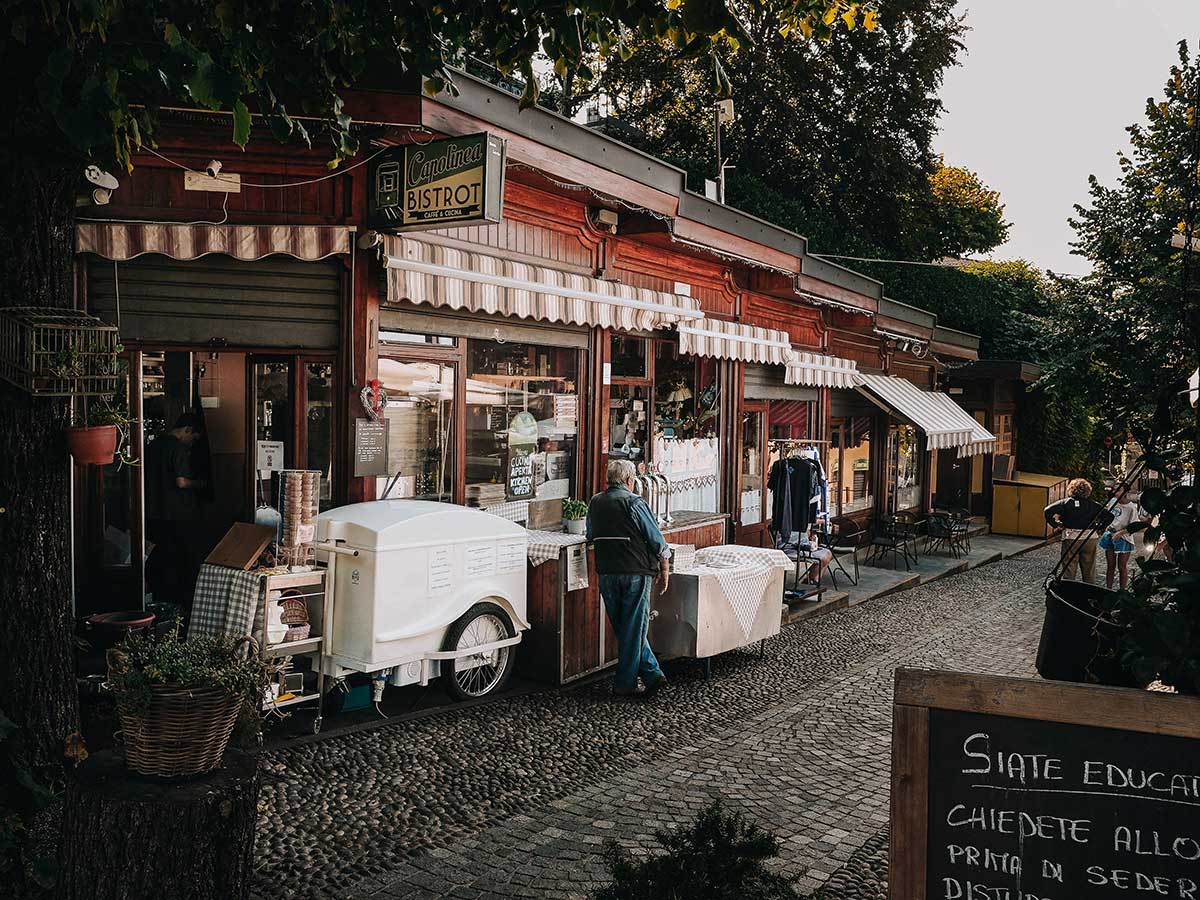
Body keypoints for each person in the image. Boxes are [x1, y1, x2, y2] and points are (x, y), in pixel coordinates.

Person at [586, 459, 670, 699]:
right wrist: (665, 564)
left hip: (607, 571)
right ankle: (625, 683)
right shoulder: (634, 502)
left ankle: (653, 674)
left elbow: (590, 534)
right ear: (629, 480)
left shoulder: (595, 502)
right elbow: (655, 537)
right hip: (635, 571)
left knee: (626, 628)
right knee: (632, 627)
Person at [145, 412, 208, 627]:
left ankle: (158, 607)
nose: (192, 442)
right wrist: (199, 484)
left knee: (158, 562)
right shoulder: (178, 449)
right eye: (193, 437)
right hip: (176, 516)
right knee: (180, 564)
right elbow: (181, 481)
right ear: (187, 430)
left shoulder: (151, 446)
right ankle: (177, 611)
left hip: (152, 513)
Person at [1044, 478, 1113, 584]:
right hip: (1090, 538)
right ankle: (1089, 591)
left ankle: (1069, 590)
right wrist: (1099, 527)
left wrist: (1056, 524)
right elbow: (1109, 516)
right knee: (1089, 568)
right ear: (1088, 491)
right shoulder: (1093, 504)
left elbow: (1047, 510)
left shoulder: (1066, 503)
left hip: (1071, 537)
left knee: (1069, 567)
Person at [1099, 487, 1140, 590]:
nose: (1115, 492)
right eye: (1114, 490)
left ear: (1125, 492)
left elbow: (1134, 526)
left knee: (1122, 566)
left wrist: (1121, 533)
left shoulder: (1131, 507)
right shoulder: (1112, 502)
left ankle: (1122, 591)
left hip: (1124, 538)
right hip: (1110, 535)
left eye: (1118, 490)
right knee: (1110, 565)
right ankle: (1108, 589)